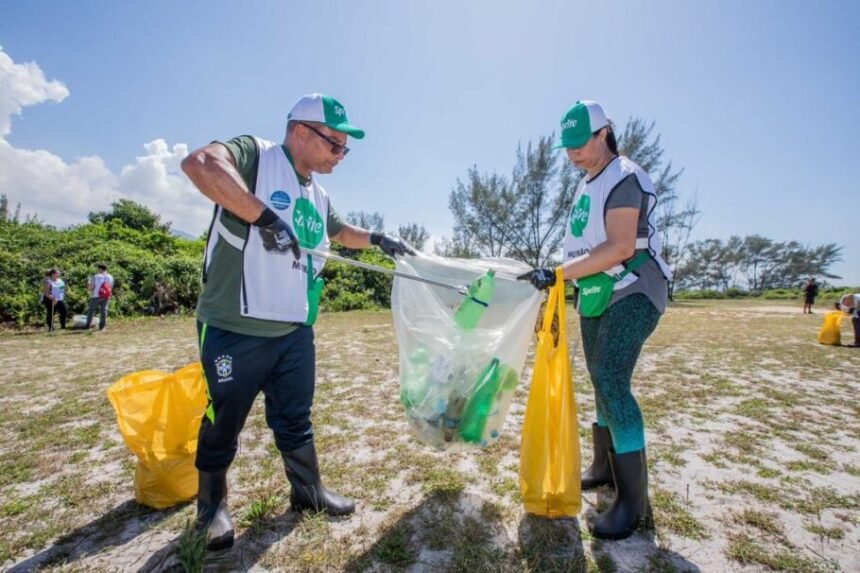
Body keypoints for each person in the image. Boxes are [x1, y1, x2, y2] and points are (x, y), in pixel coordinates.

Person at [181, 93, 413, 552]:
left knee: (295, 417)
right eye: (335, 145)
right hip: (235, 324)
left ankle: (308, 493)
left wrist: (380, 238)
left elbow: (340, 233)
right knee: (223, 420)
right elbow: (201, 164)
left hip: (293, 330)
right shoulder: (256, 155)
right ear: (302, 132)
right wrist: (262, 216)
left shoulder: (318, 193)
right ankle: (211, 508)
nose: (341, 156)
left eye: (345, 149)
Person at [519, 100, 672, 540]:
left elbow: (622, 246)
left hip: (635, 288)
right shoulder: (587, 183)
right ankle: (604, 467)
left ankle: (632, 503)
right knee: (598, 376)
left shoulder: (625, 175)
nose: (572, 154)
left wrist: (559, 274)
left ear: (604, 133)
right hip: (596, 293)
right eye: (566, 147)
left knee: (610, 378)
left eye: (579, 144)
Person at [85, 264, 114, 331]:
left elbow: (91, 287)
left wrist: (88, 282)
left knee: (91, 311)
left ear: (100, 269)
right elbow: (110, 287)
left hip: (96, 296)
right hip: (106, 296)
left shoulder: (96, 276)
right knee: (104, 311)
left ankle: (88, 325)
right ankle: (102, 327)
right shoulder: (110, 277)